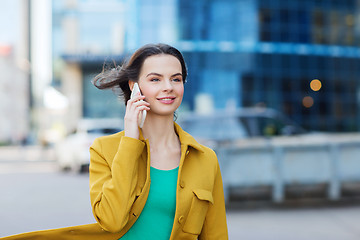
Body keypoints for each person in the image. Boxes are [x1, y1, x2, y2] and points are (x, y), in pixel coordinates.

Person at [2, 43, 228, 240]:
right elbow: (111, 221)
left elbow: (216, 235)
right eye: (155, 79)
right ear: (134, 85)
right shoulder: (104, 150)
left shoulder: (206, 159)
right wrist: (130, 140)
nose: (168, 86)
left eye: (176, 79)